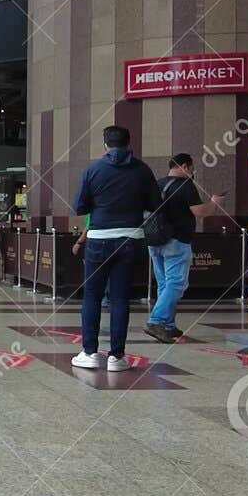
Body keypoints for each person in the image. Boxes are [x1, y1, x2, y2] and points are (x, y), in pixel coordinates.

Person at [70, 125, 160, 371]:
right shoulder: (142, 170)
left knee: (92, 296)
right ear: (129, 143)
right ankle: (117, 357)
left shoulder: (93, 170)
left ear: (105, 144)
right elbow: (155, 204)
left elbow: (80, 207)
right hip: (130, 239)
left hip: (98, 239)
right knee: (120, 299)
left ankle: (89, 353)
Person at [144, 154, 225, 344]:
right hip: (177, 241)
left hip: (154, 240)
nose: (193, 172)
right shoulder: (185, 185)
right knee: (176, 284)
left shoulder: (157, 184)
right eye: (192, 168)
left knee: (164, 285)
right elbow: (200, 212)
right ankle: (156, 321)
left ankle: (168, 325)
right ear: (185, 166)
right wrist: (214, 203)